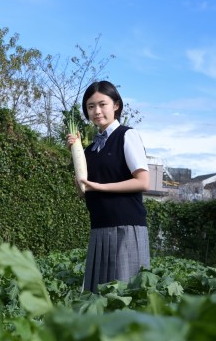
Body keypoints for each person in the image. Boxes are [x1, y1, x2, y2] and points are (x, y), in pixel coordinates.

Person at [66, 80, 150, 293]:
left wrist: (100, 187)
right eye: (90, 106)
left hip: (125, 227)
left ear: (116, 105)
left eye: (102, 104)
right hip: (99, 228)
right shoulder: (90, 150)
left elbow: (143, 182)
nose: (96, 111)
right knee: (98, 296)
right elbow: (84, 193)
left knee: (123, 296)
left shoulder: (127, 135)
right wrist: (76, 152)